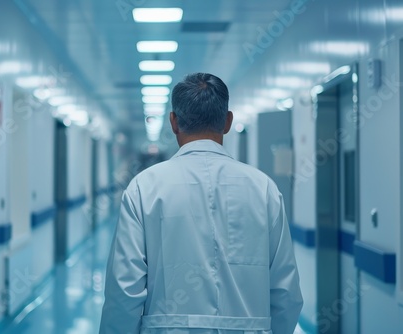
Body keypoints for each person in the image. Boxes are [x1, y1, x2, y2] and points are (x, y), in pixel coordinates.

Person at [99, 73, 303, 334]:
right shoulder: (264, 189)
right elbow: (287, 294)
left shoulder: (144, 187)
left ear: (173, 122)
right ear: (228, 121)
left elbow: (124, 292)